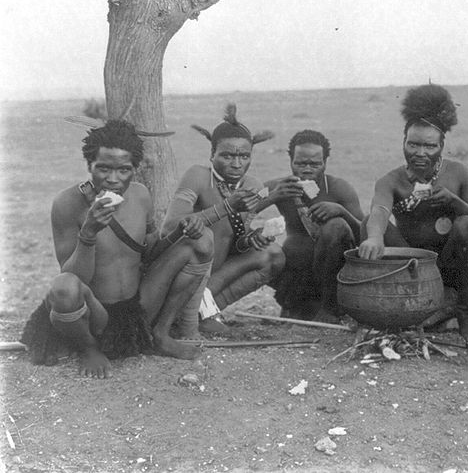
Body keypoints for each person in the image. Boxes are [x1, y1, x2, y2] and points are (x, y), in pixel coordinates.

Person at [21, 119, 214, 378]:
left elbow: (149, 253)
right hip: (94, 315)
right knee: (63, 288)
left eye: (123, 170)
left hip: (137, 306)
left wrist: (181, 232)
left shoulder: (141, 195)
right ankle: (89, 349)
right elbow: (73, 280)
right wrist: (88, 233)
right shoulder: (67, 203)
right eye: (103, 169)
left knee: (200, 243)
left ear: (135, 168)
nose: (113, 180)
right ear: (89, 165)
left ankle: (160, 333)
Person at [358, 84, 468, 339]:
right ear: (404, 142)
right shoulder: (391, 180)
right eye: (413, 145)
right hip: (412, 266)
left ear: (442, 145)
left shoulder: (459, 173)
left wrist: (456, 203)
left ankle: (466, 314)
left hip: (451, 267)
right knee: (368, 224)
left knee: (466, 223)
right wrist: (375, 237)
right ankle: (395, 305)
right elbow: (379, 211)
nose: (420, 153)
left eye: (429, 146)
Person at [162, 104, 284, 337]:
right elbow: (171, 226)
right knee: (203, 237)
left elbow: (235, 241)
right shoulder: (199, 176)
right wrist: (227, 206)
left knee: (274, 254)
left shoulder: (253, 186)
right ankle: (190, 311)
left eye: (244, 156)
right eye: (227, 155)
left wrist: (251, 240)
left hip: (213, 276)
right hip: (183, 274)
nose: (237, 164)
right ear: (212, 155)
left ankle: (205, 310)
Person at [261, 130, 364, 322]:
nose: (307, 169)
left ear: (325, 162)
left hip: (335, 269)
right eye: (300, 164)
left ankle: (330, 308)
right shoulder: (278, 186)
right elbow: (244, 205)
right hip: (297, 267)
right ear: (290, 160)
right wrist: (272, 196)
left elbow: (365, 235)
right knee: (279, 247)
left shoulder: (339, 188)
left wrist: (343, 212)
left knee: (336, 226)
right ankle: (292, 304)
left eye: (315, 164)